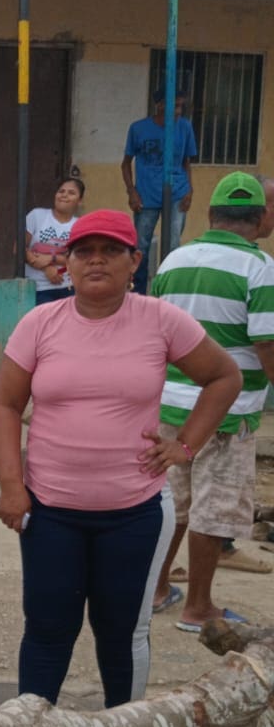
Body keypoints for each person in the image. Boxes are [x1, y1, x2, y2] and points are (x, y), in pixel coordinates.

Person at [0, 209, 240, 727]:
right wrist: (11, 485)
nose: (96, 259)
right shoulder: (40, 323)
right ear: (67, 263)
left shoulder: (161, 320)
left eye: (111, 249)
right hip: (50, 510)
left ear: (135, 262)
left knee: (121, 630)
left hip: (134, 513)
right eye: (84, 250)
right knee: (48, 626)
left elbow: (224, 377)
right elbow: (4, 405)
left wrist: (185, 445)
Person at [149, 174, 274, 635]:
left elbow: (153, 329)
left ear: (210, 215)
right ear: (261, 218)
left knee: (172, 503)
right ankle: (198, 608)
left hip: (169, 405)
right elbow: (267, 343)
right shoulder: (260, 268)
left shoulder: (175, 259)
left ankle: (156, 589)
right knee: (212, 509)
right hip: (227, 411)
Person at [122, 89, 197, 294]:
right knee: (141, 245)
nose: (179, 111)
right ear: (160, 105)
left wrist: (190, 190)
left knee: (173, 244)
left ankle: (168, 290)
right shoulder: (138, 128)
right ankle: (137, 292)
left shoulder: (185, 127)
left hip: (177, 191)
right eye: (175, 106)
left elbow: (186, 162)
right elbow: (126, 164)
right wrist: (131, 192)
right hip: (146, 194)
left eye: (181, 106)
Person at [24, 174, 84, 305]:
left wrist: (52, 259)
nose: (64, 195)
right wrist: (46, 268)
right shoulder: (37, 215)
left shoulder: (80, 225)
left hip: (69, 288)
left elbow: (81, 258)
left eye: (71, 193)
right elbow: (18, 249)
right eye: (61, 191)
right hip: (37, 288)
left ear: (80, 201)